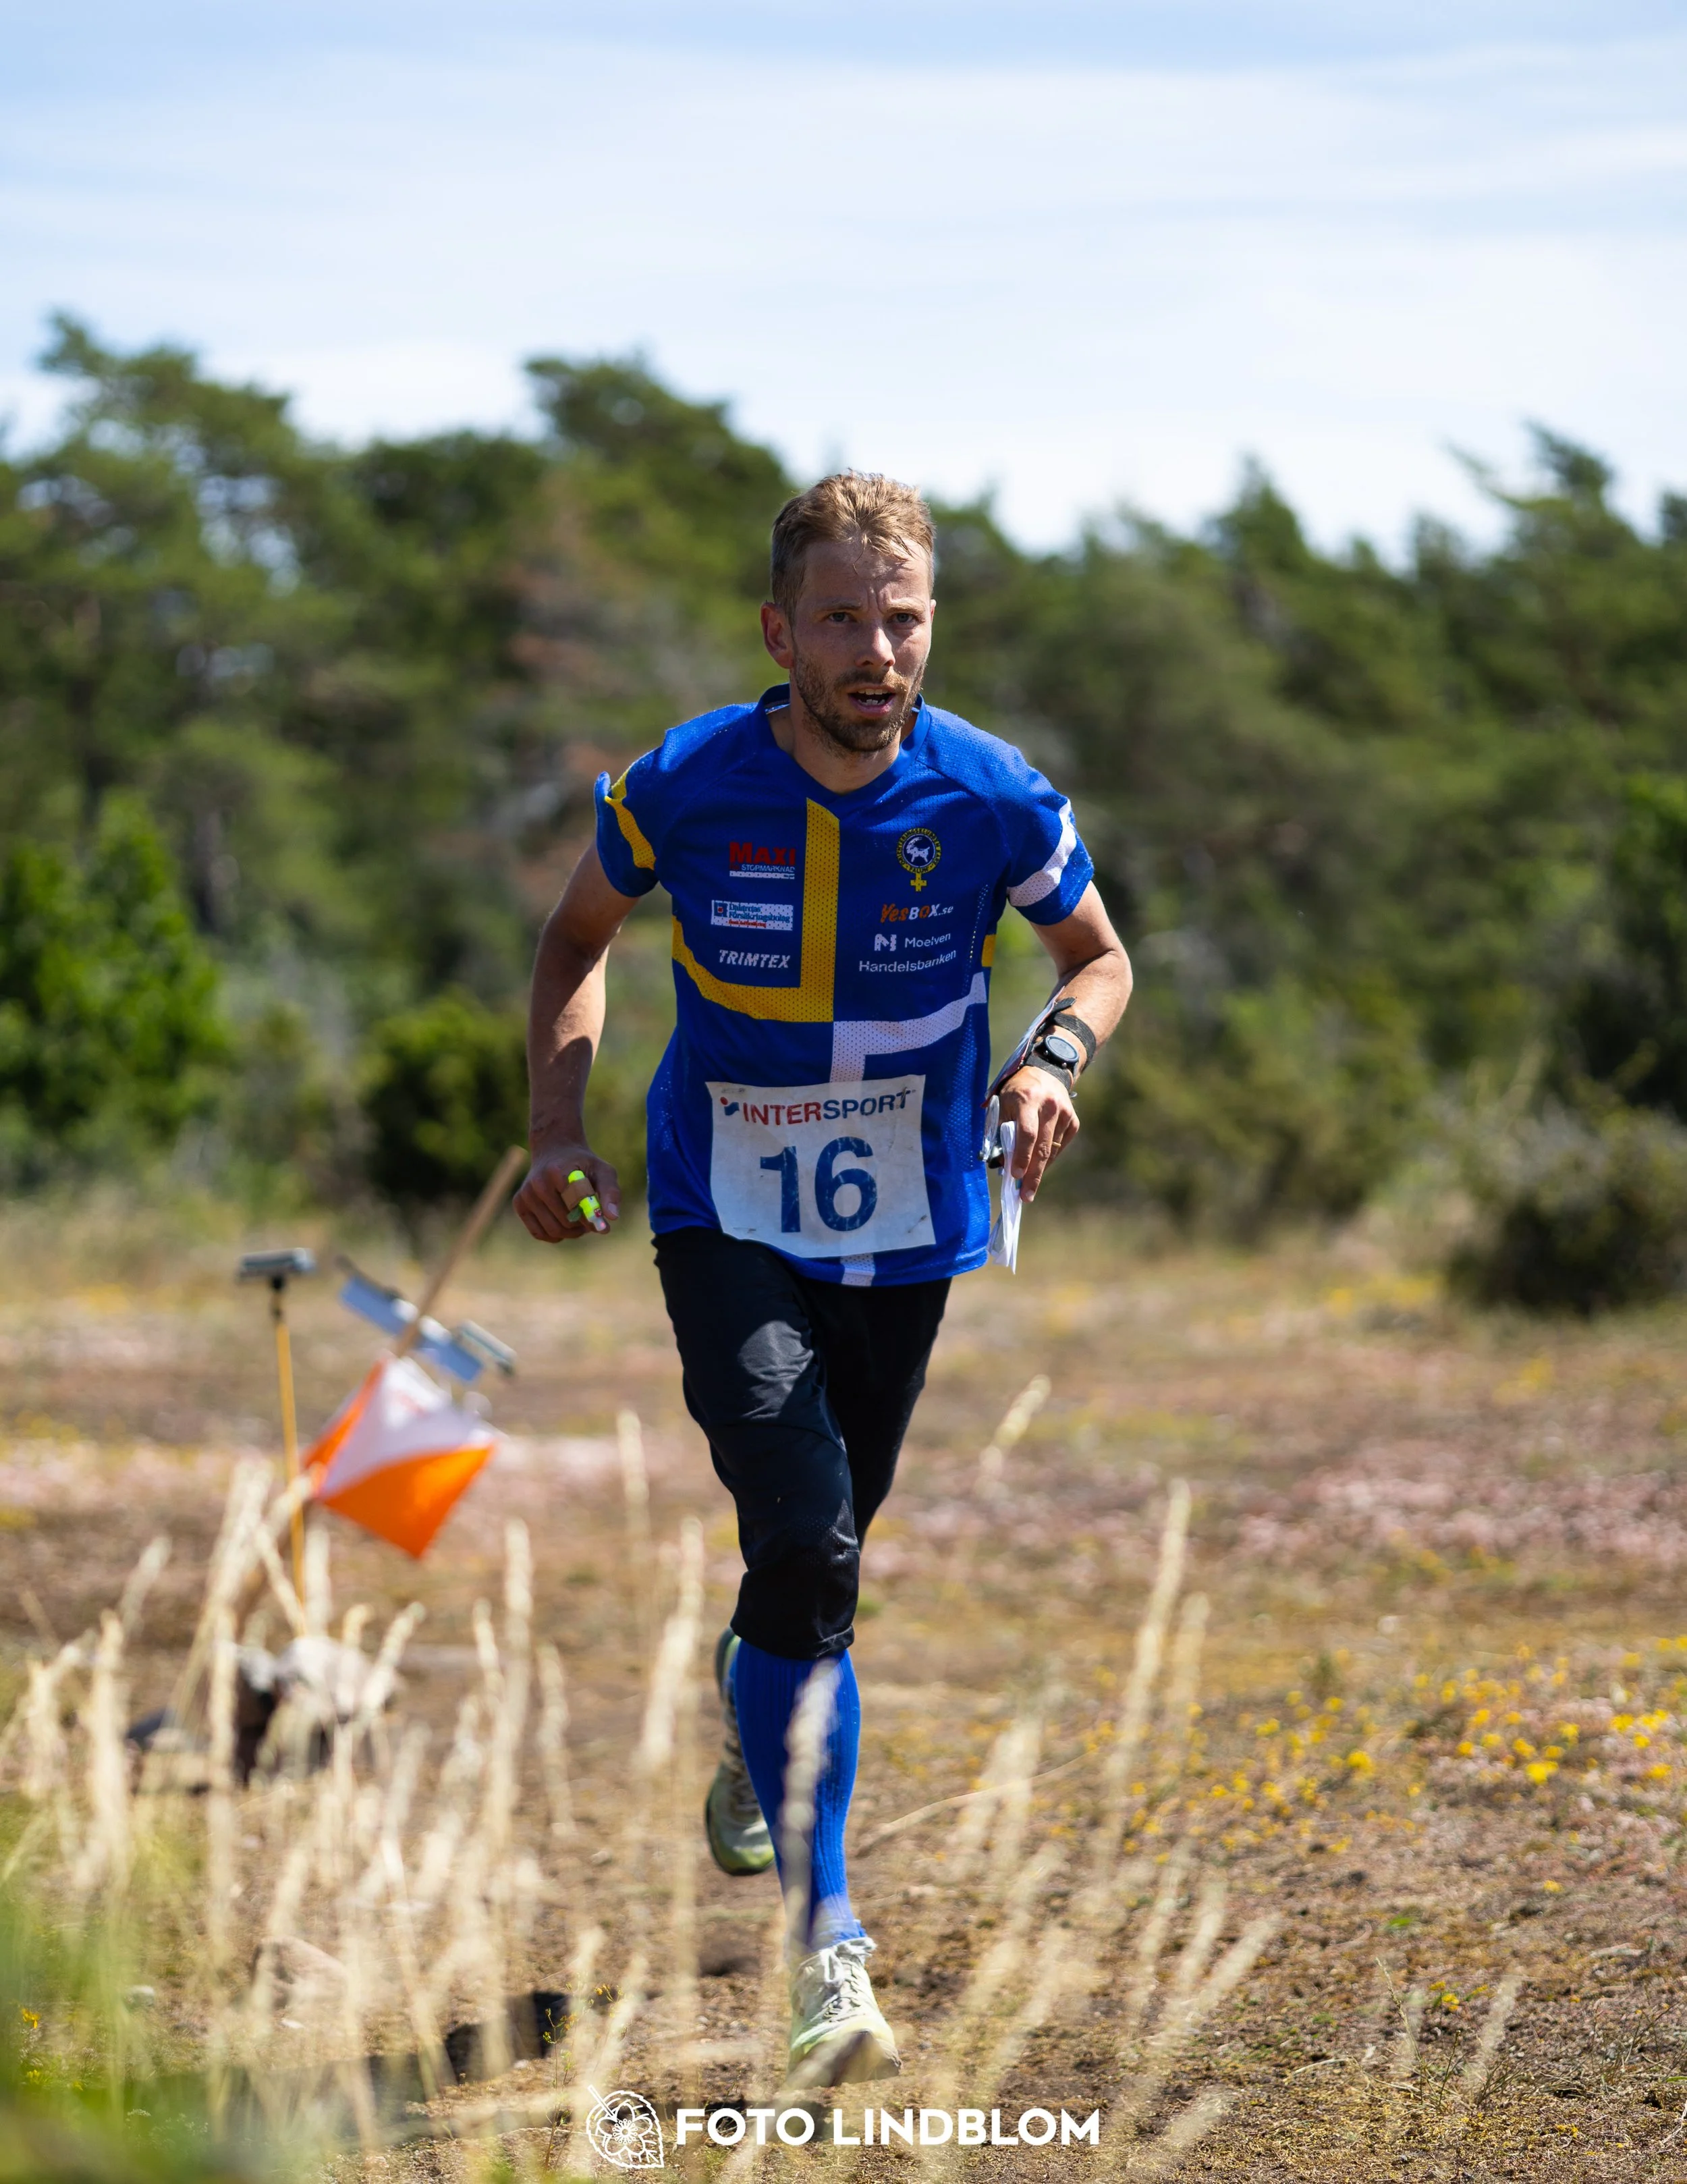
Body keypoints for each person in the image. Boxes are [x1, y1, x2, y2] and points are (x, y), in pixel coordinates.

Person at [516, 472, 1132, 2086]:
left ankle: (754, 1709)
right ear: (781, 632)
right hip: (723, 1205)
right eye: (846, 620)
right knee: (805, 1526)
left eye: (904, 617)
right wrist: (552, 1128)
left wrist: (1054, 1056)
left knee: (818, 1564)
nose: (879, 650)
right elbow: (575, 939)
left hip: (914, 1217)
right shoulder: (684, 784)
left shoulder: (989, 795)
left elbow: (1100, 956)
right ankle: (825, 1946)